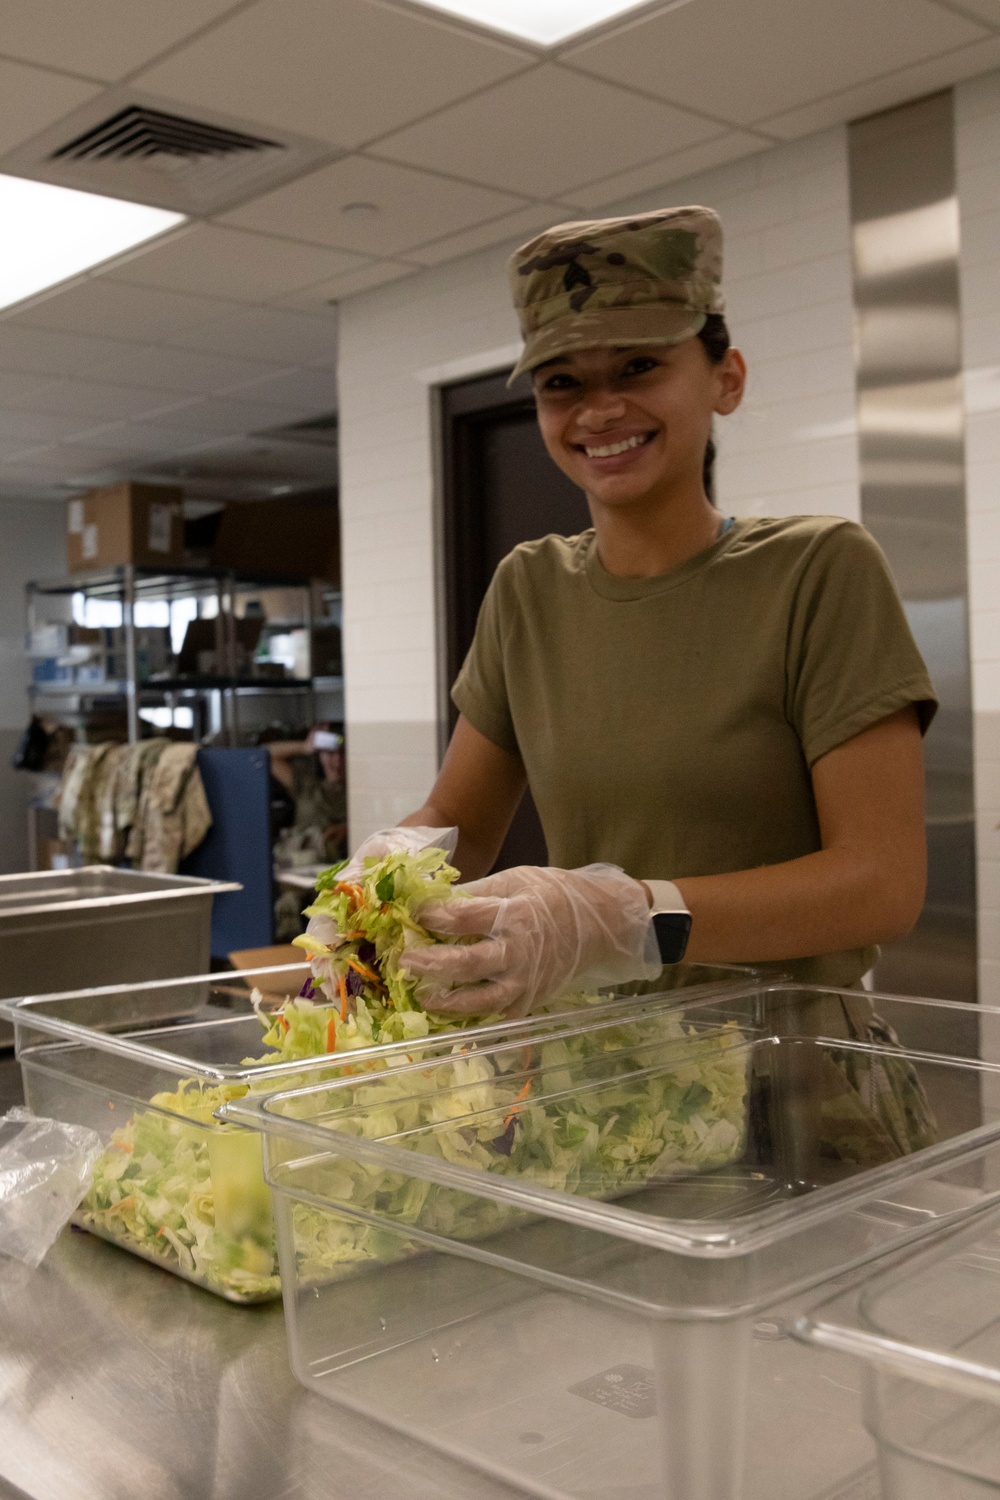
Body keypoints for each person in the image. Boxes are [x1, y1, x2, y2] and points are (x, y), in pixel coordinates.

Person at [343, 206, 937, 1032]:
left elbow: (881, 884)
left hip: (798, 1085)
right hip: (599, 1084)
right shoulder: (528, 588)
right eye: (563, 384)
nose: (599, 410)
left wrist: (630, 919)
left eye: (637, 367)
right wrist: (383, 873)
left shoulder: (817, 571)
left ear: (725, 376)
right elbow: (463, 823)